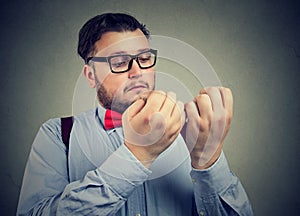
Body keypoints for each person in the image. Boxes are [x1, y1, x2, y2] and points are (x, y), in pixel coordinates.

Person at [17, 13, 253, 215]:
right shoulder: (59, 134)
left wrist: (208, 162)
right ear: (90, 76)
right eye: (119, 62)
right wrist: (136, 155)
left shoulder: (193, 130)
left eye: (144, 58)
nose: (137, 71)